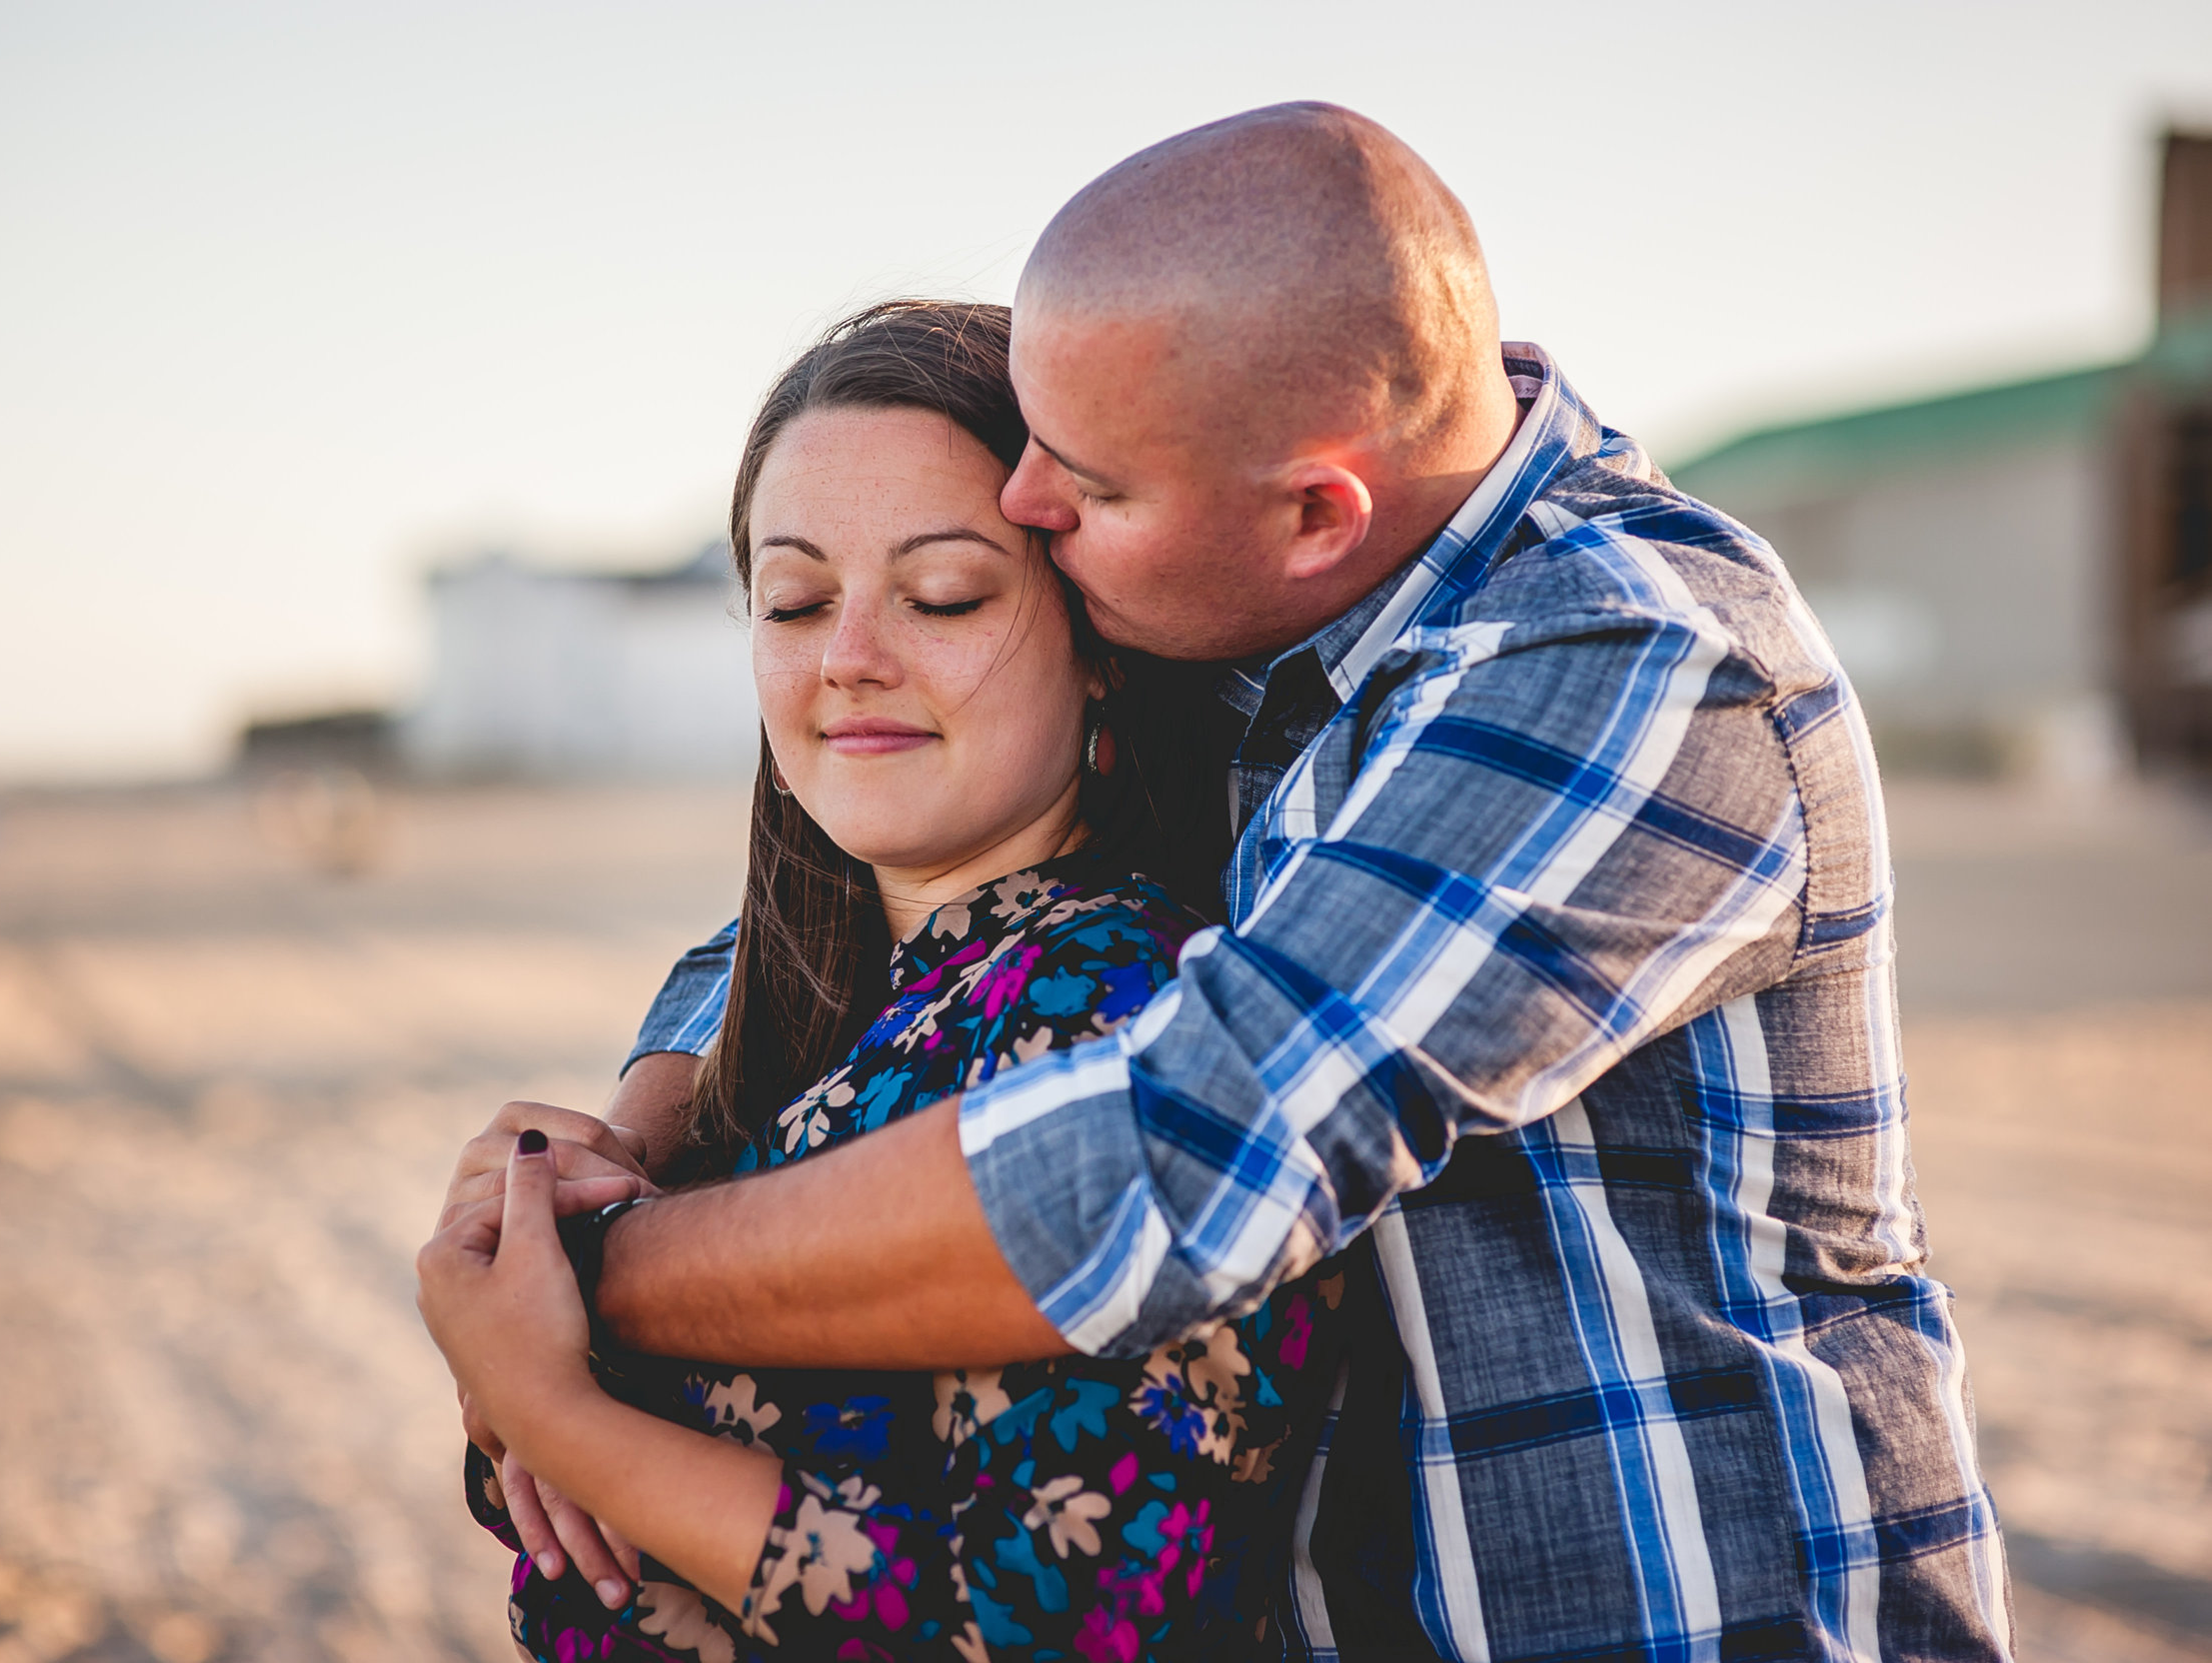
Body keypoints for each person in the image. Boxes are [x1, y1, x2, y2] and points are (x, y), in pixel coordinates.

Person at [435, 104, 2013, 1661]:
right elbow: (888, 867)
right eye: (793, 603)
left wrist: (574, 1293)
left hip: (1681, 1614)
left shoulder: (1635, 656)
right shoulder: (1274, 624)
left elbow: (1180, 1151)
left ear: (1317, 510)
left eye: (1083, 495)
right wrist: (618, 1141)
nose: (1035, 506)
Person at [420, 301, 1350, 1662]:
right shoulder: (788, 1015)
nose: (849, 656)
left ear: (1100, 645)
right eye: (796, 600)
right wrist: (520, 1248)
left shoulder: (1117, 1010)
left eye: (944, 594)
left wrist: (563, 1414)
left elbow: (1061, 1624)